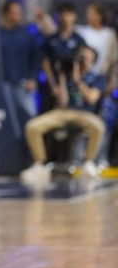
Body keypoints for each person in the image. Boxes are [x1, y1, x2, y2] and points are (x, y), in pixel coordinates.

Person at [20, 45, 106, 183]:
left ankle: (88, 162)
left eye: (85, 58)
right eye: (80, 57)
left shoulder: (98, 78)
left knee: (98, 126)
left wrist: (78, 80)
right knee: (32, 126)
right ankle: (39, 165)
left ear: (93, 61)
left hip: (84, 113)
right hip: (63, 112)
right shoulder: (67, 73)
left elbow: (91, 98)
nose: (82, 60)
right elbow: (63, 101)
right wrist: (63, 77)